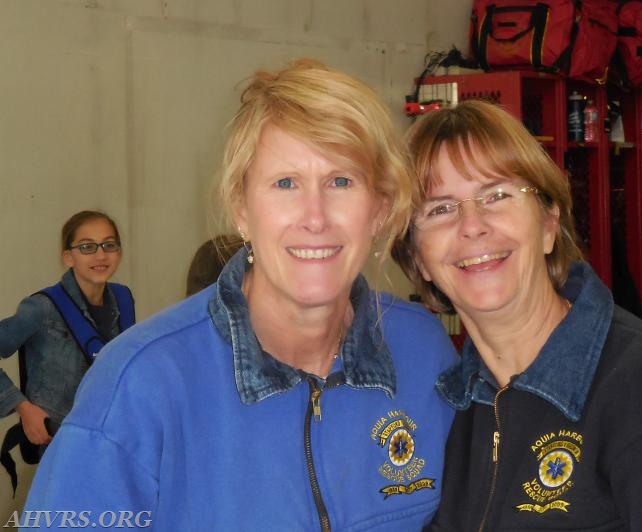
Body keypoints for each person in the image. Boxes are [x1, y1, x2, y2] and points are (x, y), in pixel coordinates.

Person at [22, 60, 457, 531]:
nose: (315, 216)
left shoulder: (423, 354)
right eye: (285, 183)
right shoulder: (141, 382)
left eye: (341, 181)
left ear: (380, 210)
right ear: (241, 210)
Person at [392, 100, 642, 531]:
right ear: (418, 261)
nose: (472, 225)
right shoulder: (456, 411)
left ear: (549, 224)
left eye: (497, 195)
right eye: (440, 208)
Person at [0, 210, 134, 493]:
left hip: (110, 442)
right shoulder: (41, 308)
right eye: (87, 247)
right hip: (58, 441)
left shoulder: (123, 299)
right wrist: (23, 408)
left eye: (109, 245)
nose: (100, 255)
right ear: (68, 256)